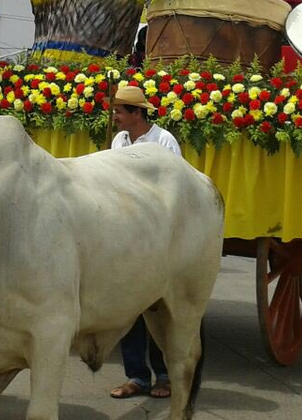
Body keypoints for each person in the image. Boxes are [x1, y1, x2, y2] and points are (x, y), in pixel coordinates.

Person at [107, 86, 180, 400]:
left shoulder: (163, 141)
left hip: (156, 238)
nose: (116, 117)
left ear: (136, 113)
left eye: (120, 111)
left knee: (159, 309)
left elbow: (176, 188)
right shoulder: (118, 141)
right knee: (129, 308)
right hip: (126, 237)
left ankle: (165, 376)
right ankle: (137, 376)